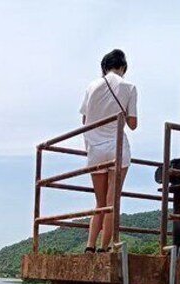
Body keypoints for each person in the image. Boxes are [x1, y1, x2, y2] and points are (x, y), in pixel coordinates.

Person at [79, 49, 138, 253]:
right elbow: (132, 124)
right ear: (123, 67)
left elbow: (85, 121)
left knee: (100, 202)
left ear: (104, 67)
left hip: (95, 149)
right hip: (117, 147)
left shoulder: (92, 86)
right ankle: (105, 247)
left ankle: (90, 246)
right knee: (113, 201)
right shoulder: (129, 87)